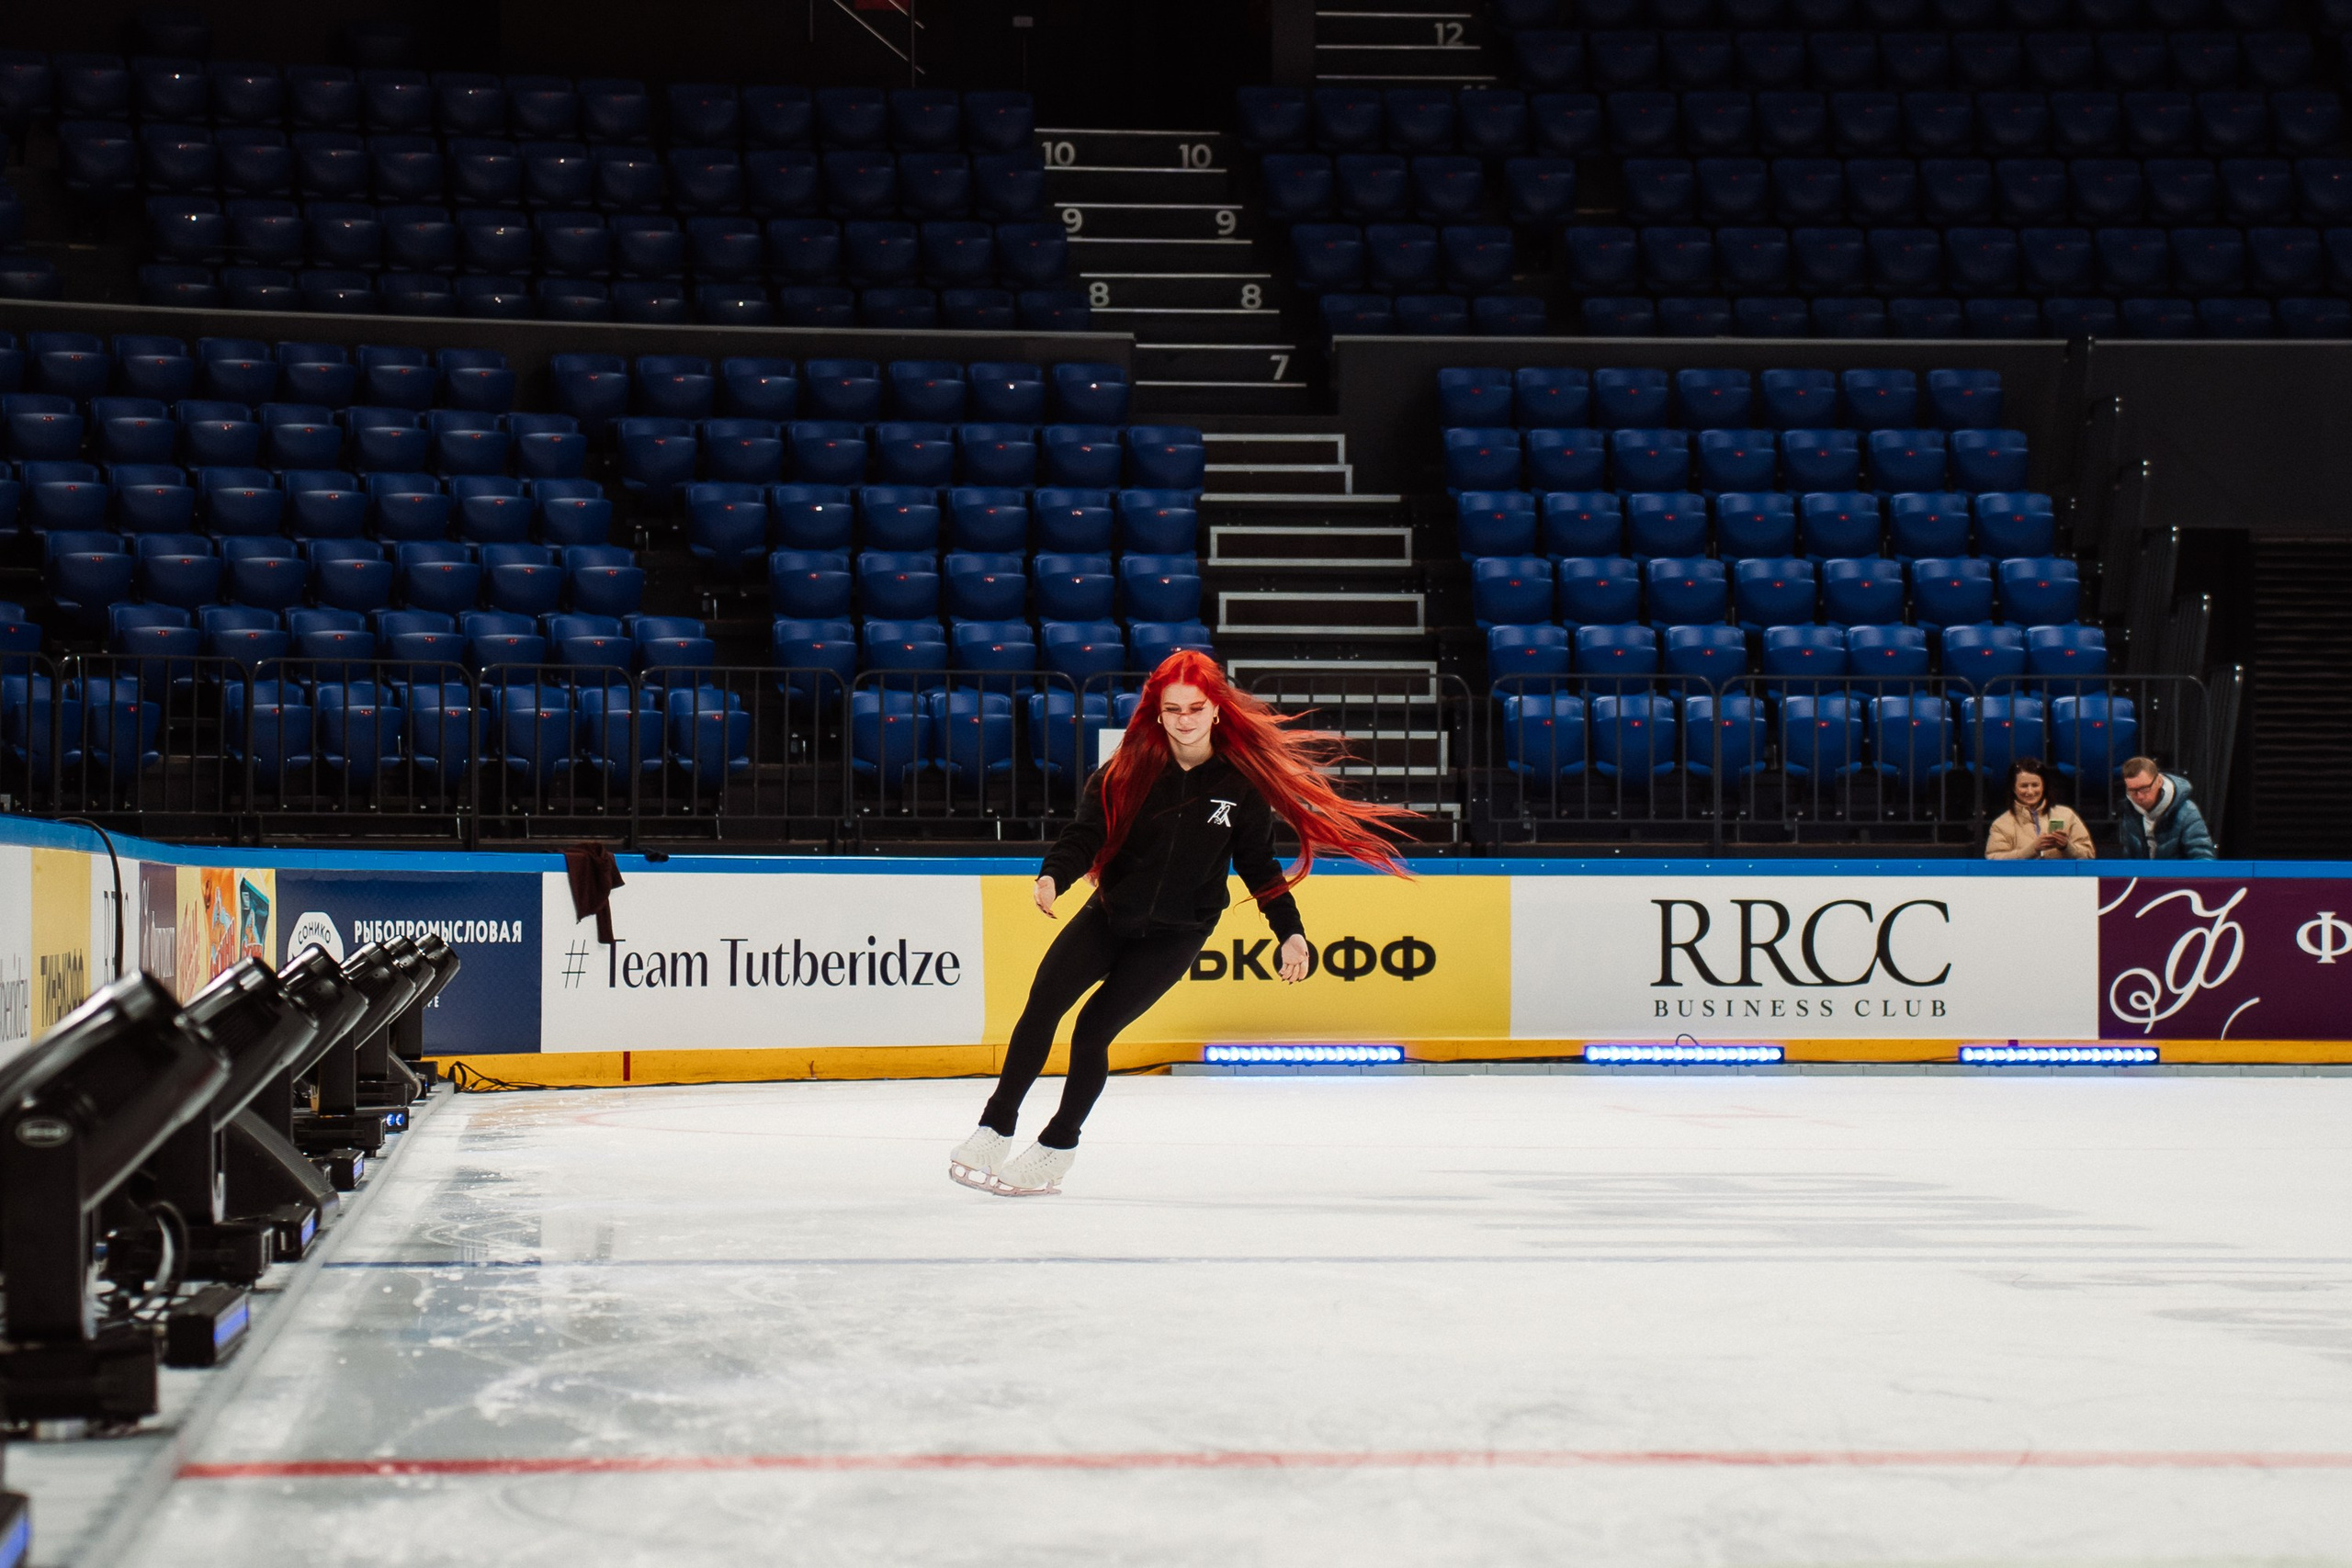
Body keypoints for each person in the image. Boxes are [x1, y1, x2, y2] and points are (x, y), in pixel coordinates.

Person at [949, 650, 1417, 1198]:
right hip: (1109, 915)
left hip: (1178, 934)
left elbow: (1259, 864)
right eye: (1173, 709)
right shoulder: (1127, 769)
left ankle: (1057, 1146)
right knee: (1042, 1005)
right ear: (1158, 712)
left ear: (1216, 708)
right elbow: (1085, 834)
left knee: (1093, 1030)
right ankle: (995, 1127)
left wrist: (1289, 931)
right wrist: (1055, 874)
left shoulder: (1241, 782)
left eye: (1195, 708)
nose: (1185, 720)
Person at [1984, 758, 2094, 861]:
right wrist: (2032, 849)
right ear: (2014, 788)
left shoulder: (2067, 815)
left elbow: (2088, 854)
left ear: (2043, 786)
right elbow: (1994, 859)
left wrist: (2066, 846)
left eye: (2035, 785)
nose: (2030, 791)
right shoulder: (2001, 824)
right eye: (2024, 786)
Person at [2116, 756, 2217, 860]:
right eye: (2132, 791)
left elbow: (2204, 859)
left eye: (2145, 789)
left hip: (2177, 871)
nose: (2139, 796)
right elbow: (2129, 859)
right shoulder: (2129, 810)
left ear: (2159, 781)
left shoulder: (2187, 811)